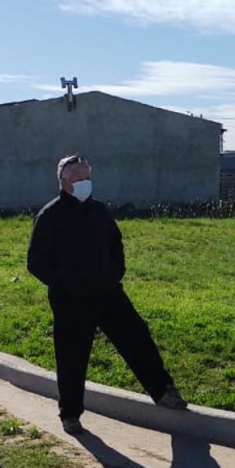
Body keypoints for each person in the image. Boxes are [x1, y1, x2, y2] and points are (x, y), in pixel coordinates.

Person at [26, 153, 188, 435]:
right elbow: (36, 262)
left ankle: (162, 391)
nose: (85, 183)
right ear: (64, 182)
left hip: (108, 293)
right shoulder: (49, 216)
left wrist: (114, 275)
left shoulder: (100, 211)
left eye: (88, 178)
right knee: (72, 357)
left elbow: (116, 247)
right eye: (79, 179)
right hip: (71, 301)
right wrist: (66, 285)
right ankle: (71, 414)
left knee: (137, 336)